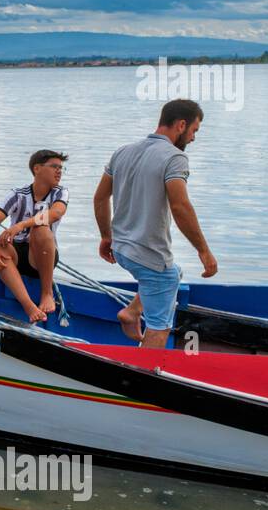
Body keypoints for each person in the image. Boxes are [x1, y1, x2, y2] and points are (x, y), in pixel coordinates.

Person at [93, 98, 217, 348]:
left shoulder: (123, 151)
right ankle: (141, 376)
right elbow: (180, 207)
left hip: (122, 250)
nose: (193, 138)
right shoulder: (175, 158)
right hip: (147, 255)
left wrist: (107, 237)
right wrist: (204, 250)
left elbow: (100, 197)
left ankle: (131, 312)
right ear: (181, 125)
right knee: (160, 325)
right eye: (194, 131)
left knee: (173, 272)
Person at [0, 150, 69, 323]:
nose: (59, 171)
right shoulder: (18, 194)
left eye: (61, 168)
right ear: (37, 169)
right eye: (54, 167)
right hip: (18, 252)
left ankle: (47, 293)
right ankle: (28, 305)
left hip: (42, 255)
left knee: (41, 229)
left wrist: (21, 225)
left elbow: (56, 213)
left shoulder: (60, 192)